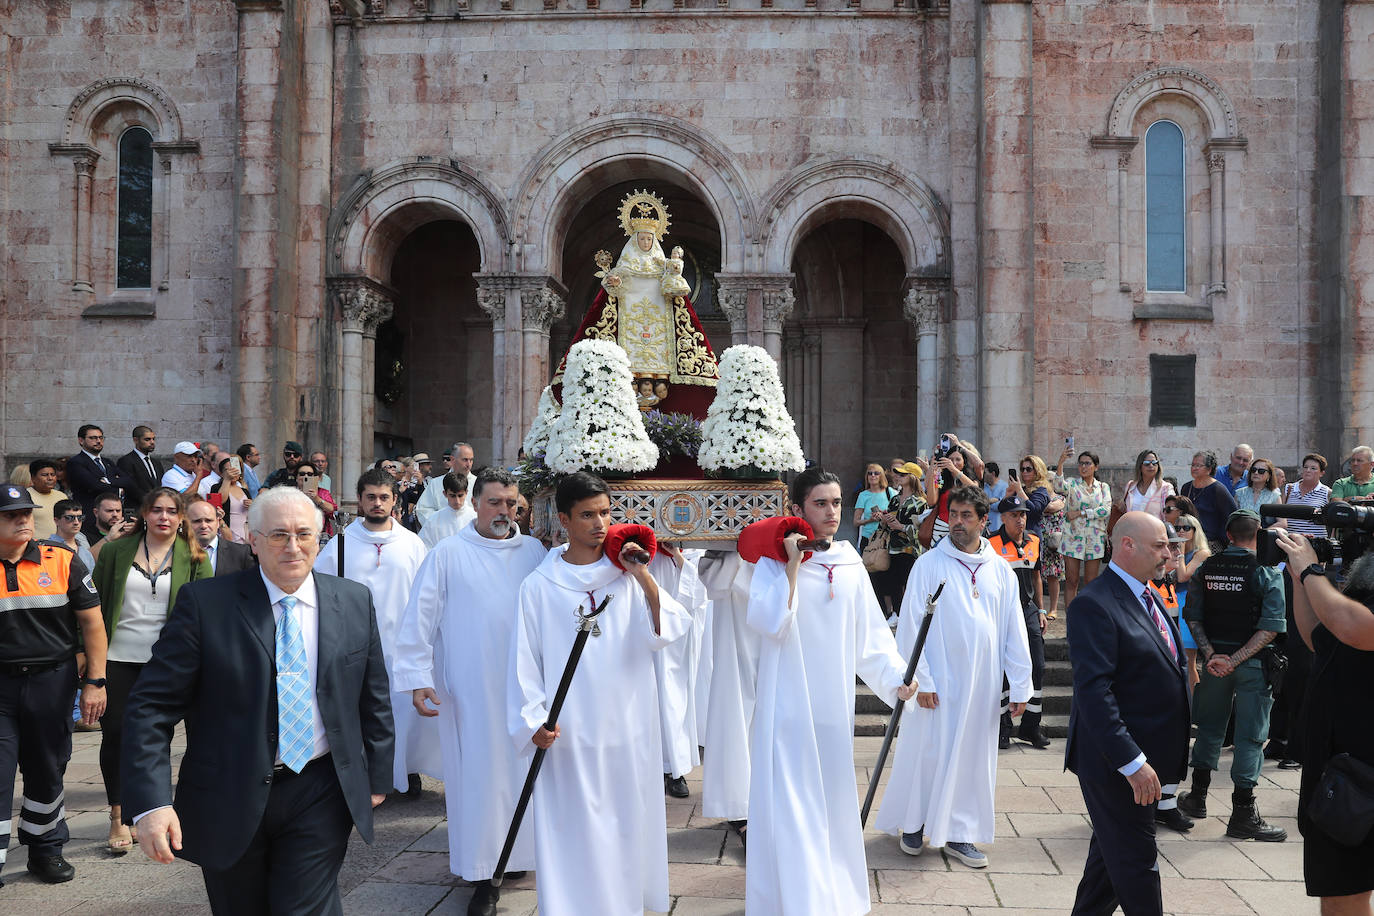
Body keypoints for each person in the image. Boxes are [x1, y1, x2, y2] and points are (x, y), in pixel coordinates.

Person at [121, 485, 394, 913]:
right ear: (252, 538)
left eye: (304, 534)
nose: (293, 547)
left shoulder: (353, 600)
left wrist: (378, 773)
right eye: (278, 535)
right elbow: (151, 708)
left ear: (319, 538)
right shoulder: (207, 605)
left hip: (320, 787)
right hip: (229, 791)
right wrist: (151, 802)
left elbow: (372, 693)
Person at [508, 471, 690, 916]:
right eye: (588, 515)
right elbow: (524, 660)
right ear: (564, 519)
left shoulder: (627, 577)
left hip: (626, 726)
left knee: (625, 824)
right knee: (571, 828)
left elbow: (671, 629)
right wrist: (533, 721)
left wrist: (643, 575)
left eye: (606, 513)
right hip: (568, 732)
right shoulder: (539, 585)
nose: (600, 524)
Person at [746, 468, 915, 912]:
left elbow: (871, 638)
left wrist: (900, 679)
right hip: (786, 708)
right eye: (820, 503)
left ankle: (831, 893)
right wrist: (793, 565)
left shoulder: (849, 561)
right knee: (791, 804)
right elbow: (769, 623)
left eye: (837, 502)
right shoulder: (770, 564)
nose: (831, 512)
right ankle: (795, 899)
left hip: (832, 712)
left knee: (830, 802)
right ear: (797, 509)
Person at [394, 467, 546, 915]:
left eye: (511, 502)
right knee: (479, 778)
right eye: (495, 502)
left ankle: (517, 857)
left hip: (525, 689)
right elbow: (418, 619)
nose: (504, 510)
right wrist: (418, 677)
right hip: (470, 688)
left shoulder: (535, 551)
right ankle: (484, 871)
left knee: (523, 775)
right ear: (475, 503)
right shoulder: (447, 553)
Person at [875, 485, 1032, 869]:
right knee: (926, 750)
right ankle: (915, 823)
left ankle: (960, 833)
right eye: (953, 515)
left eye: (966, 516)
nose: (957, 523)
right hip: (938, 680)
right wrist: (922, 679)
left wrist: (1021, 683)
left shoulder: (999, 569)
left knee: (972, 757)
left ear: (983, 520)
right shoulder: (929, 565)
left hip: (982, 682)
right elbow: (911, 624)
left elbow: (1014, 628)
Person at [1065, 512, 1189, 915]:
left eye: (1169, 546)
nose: (1168, 554)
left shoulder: (1149, 594)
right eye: (1159, 546)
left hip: (1146, 755)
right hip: (1116, 763)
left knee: (1108, 864)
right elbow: (1094, 693)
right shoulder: (1094, 604)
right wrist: (1131, 763)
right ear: (1127, 545)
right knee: (1137, 863)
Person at [91, 487, 212, 854]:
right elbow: (92, 607)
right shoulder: (116, 551)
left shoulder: (195, 556)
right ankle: (118, 815)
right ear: (144, 514)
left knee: (191, 736)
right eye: (156, 510)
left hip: (171, 662)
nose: (163, 517)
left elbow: (207, 614)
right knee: (117, 736)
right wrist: (88, 660)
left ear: (180, 517)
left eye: (171, 511)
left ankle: (184, 809)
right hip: (120, 658)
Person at [0, 484, 108, 885]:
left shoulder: (60, 560)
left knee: (47, 769)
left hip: (52, 683)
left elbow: (93, 624)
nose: (23, 520)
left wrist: (95, 681)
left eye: (26, 513)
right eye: (11, 515)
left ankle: (46, 850)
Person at [315, 468, 435, 798]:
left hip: (401, 645)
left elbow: (426, 595)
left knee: (403, 714)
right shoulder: (339, 545)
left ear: (395, 500)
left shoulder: (412, 544)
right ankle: (367, 775)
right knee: (362, 711)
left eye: (384, 497)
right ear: (360, 501)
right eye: (371, 497)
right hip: (354, 646)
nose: (377, 503)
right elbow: (320, 590)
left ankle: (405, 772)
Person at [1273, 528, 1374, 909]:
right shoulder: (1362, 590)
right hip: (1338, 767)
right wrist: (1301, 581)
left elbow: (1354, 627)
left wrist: (1311, 572)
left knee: (1343, 895)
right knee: (1337, 891)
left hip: (1363, 772)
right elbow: (1321, 634)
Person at [1176, 509, 1288, 841]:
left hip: (1214, 665)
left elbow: (1193, 618)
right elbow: (1269, 629)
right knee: (1250, 737)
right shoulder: (1267, 573)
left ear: (1227, 535)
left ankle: (1197, 797)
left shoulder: (1206, 569)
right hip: (1252, 666)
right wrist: (1236, 659)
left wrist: (1213, 656)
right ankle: (1243, 814)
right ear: (1258, 536)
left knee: (1210, 728)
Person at [988, 495, 1049, 748]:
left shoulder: (1034, 540)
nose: (1020, 520)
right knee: (1002, 670)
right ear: (1003, 518)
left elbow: (1036, 576)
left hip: (1028, 610)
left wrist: (1042, 610)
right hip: (1001, 613)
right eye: (1014, 515)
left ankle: (1030, 727)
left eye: (1023, 514)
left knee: (1038, 665)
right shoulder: (990, 543)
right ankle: (1002, 727)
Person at [1147, 522, 1194, 833]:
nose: (1177, 553)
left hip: (1175, 677)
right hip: (1153, 679)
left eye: (1178, 547)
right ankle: (1150, 804)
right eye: (1171, 547)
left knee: (1176, 744)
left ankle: (1167, 803)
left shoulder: (1168, 586)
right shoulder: (1145, 588)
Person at [1009, 455, 1067, 617]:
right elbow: (1003, 509)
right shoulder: (1019, 489)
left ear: (1037, 471)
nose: (1025, 472)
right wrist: (1010, 493)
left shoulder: (1041, 490)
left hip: (1032, 536)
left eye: (1029, 469)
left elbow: (1035, 510)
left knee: (1035, 575)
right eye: (1022, 469)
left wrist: (1019, 491)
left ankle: (1038, 610)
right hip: (1014, 536)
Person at [875, 461, 927, 623]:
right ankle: (897, 614)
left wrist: (902, 527)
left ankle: (906, 616)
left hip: (910, 549)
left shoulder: (921, 502)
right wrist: (884, 519)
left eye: (903, 474)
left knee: (906, 583)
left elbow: (923, 530)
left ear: (913, 478)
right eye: (898, 474)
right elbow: (886, 523)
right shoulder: (895, 499)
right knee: (893, 583)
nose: (898, 477)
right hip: (893, 546)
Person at [1059, 449, 1112, 606]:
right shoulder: (1073, 483)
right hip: (1072, 536)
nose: (1083, 467)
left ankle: (1088, 618)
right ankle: (1071, 620)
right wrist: (1061, 462)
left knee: (1091, 581)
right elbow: (1059, 486)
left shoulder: (1103, 487)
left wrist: (1080, 513)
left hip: (1095, 538)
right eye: (1081, 463)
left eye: (1087, 463)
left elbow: (1105, 510)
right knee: (1071, 580)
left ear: (1096, 467)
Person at [1171, 513, 1212, 688]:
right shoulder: (1175, 552)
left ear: (1195, 532)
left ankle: (1194, 707)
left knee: (1189, 661)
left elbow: (1182, 576)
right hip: (1173, 604)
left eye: (1186, 528)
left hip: (1190, 606)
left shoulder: (1201, 553)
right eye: (1178, 528)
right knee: (1176, 661)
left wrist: (1179, 553)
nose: (1181, 531)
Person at [65, 424, 133, 522]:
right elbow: (95, 486)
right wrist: (119, 487)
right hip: (91, 516)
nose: (98, 441)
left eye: (101, 438)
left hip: (114, 517)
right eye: (93, 438)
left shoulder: (107, 462)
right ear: (81, 440)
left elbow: (128, 481)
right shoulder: (76, 462)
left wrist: (107, 480)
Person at [1181, 450, 1238, 550]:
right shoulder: (1186, 487)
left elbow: (1232, 517)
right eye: (1193, 465)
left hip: (1211, 544)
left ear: (1209, 469)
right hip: (1188, 542)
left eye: (1198, 465)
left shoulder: (1218, 489)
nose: (1194, 468)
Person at [185, 496, 256, 576]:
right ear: (187, 523)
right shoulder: (177, 551)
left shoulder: (241, 553)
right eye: (197, 521)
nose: (204, 526)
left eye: (209, 521)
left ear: (218, 522)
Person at [416, 442, 475, 526]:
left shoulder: (478, 483)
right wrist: (442, 525)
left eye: (471, 460)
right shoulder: (435, 484)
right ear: (452, 459)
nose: (469, 464)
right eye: (465, 460)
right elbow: (423, 510)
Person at [1278, 453, 1333, 541]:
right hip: (1290, 541)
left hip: (1316, 542)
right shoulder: (1288, 489)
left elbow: (1333, 521)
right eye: (1305, 467)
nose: (1308, 470)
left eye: (1313, 468)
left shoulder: (1327, 492)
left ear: (1322, 473)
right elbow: (1280, 515)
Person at [418, 472, 476, 548]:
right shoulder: (434, 520)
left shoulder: (476, 518)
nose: (457, 501)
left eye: (460, 495)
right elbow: (424, 547)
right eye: (452, 496)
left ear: (466, 493)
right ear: (445, 494)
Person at [116, 425, 164, 509]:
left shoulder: (156, 463)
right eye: (147, 439)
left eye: (153, 439)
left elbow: (160, 485)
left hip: (156, 509)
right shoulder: (126, 461)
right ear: (136, 440)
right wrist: (152, 503)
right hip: (137, 510)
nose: (152, 442)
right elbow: (131, 488)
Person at [1118, 449, 1174, 520]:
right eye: (1147, 463)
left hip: (1155, 529)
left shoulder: (1165, 487)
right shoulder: (1131, 485)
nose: (1151, 465)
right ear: (1140, 466)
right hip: (1131, 529)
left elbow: (1170, 514)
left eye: (1154, 462)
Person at [210, 456, 253, 542]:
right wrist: (227, 480)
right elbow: (219, 502)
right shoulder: (216, 488)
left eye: (235, 469)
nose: (232, 472)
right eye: (228, 470)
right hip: (227, 533)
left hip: (245, 533)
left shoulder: (244, 490)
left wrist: (252, 505)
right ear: (222, 473)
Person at [45, 498, 95, 572]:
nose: (76, 522)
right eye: (70, 518)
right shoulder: (45, 549)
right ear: (56, 521)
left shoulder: (86, 553)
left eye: (80, 518)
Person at [853, 463, 892, 551]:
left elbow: (897, 515)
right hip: (867, 538)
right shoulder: (863, 495)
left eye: (876, 473)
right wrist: (870, 520)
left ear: (881, 476)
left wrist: (884, 516)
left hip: (886, 537)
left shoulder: (891, 492)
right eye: (869, 473)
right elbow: (856, 522)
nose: (872, 476)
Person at [26, 459, 69, 540]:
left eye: (53, 474)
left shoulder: (61, 496)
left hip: (60, 546)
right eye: (45, 475)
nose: (50, 478)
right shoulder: (26, 496)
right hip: (35, 546)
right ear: (33, 478)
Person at [294, 461, 337, 537]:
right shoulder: (290, 493)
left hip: (319, 535)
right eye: (302, 474)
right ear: (296, 478)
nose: (306, 476)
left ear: (315, 478)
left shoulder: (322, 492)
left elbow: (332, 510)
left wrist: (316, 498)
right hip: (296, 534)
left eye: (310, 474)